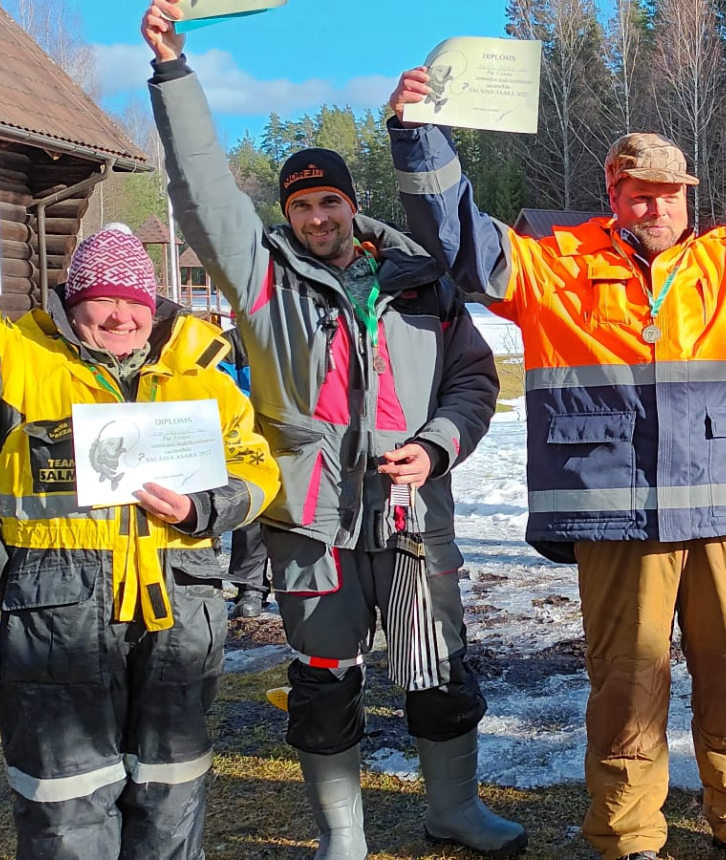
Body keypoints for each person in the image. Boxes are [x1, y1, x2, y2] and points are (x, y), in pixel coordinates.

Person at [387, 63, 726, 860]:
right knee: (625, 683)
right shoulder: (555, 266)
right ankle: (627, 833)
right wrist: (419, 137)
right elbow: (459, 241)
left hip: (725, 515)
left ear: (689, 195)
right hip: (616, 515)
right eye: (639, 193)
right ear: (612, 193)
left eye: (670, 192)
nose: (657, 206)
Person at [142, 3, 514, 856]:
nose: (316, 217)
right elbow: (202, 189)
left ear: (353, 203)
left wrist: (437, 445)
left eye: (329, 201)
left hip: (413, 512)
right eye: (302, 204)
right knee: (323, 679)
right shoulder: (262, 279)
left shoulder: (423, 280)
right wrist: (173, 71)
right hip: (312, 518)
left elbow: (473, 381)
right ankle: (341, 835)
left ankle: (453, 810)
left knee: (439, 666)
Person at [0, 225, 279, 859]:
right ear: (72, 303)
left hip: (179, 606)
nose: (121, 316)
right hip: (53, 614)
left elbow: (257, 467)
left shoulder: (200, 370)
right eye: (103, 300)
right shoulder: (15, 364)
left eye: (135, 302)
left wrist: (202, 508)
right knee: (65, 794)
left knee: (170, 786)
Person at [217, 322, 274, 618]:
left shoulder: (303, 336)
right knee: (250, 514)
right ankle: (250, 587)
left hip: (296, 442)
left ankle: (299, 589)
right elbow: (216, 388)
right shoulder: (230, 344)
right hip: (248, 442)